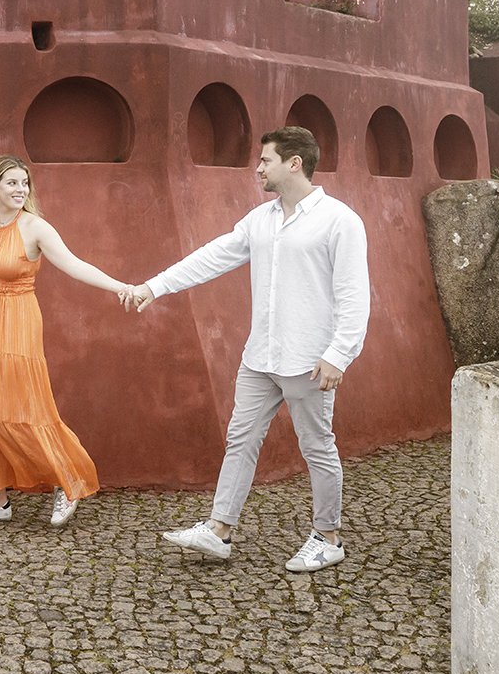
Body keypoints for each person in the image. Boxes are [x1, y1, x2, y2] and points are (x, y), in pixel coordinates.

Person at [123, 126, 369, 572]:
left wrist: (339, 354)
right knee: (240, 439)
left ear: (294, 163)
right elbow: (212, 256)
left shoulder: (340, 220)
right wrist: (154, 287)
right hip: (261, 358)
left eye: (265, 161)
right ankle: (219, 530)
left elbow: (355, 295)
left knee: (317, 446)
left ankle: (327, 537)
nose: (257, 169)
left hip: (310, 361)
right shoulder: (261, 219)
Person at [0, 155, 131, 528]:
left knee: (22, 408)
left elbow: (74, 264)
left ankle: (67, 481)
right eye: (12, 183)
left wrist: (119, 286)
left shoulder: (35, 228)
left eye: (24, 183)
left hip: (17, 322)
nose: (20, 190)